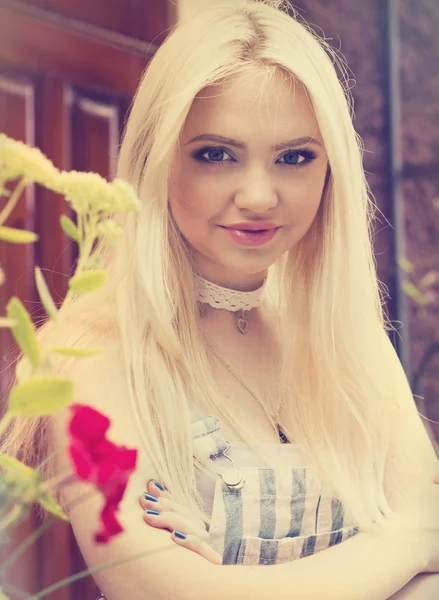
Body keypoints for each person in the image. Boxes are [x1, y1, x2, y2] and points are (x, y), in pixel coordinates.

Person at [1, 1, 439, 598]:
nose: (259, 196)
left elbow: (430, 540)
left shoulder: (340, 334)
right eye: (216, 154)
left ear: (331, 169)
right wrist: (394, 546)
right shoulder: (88, 353)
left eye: (294, 157)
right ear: (159, 158)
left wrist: (232, 579)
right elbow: (164, 592)